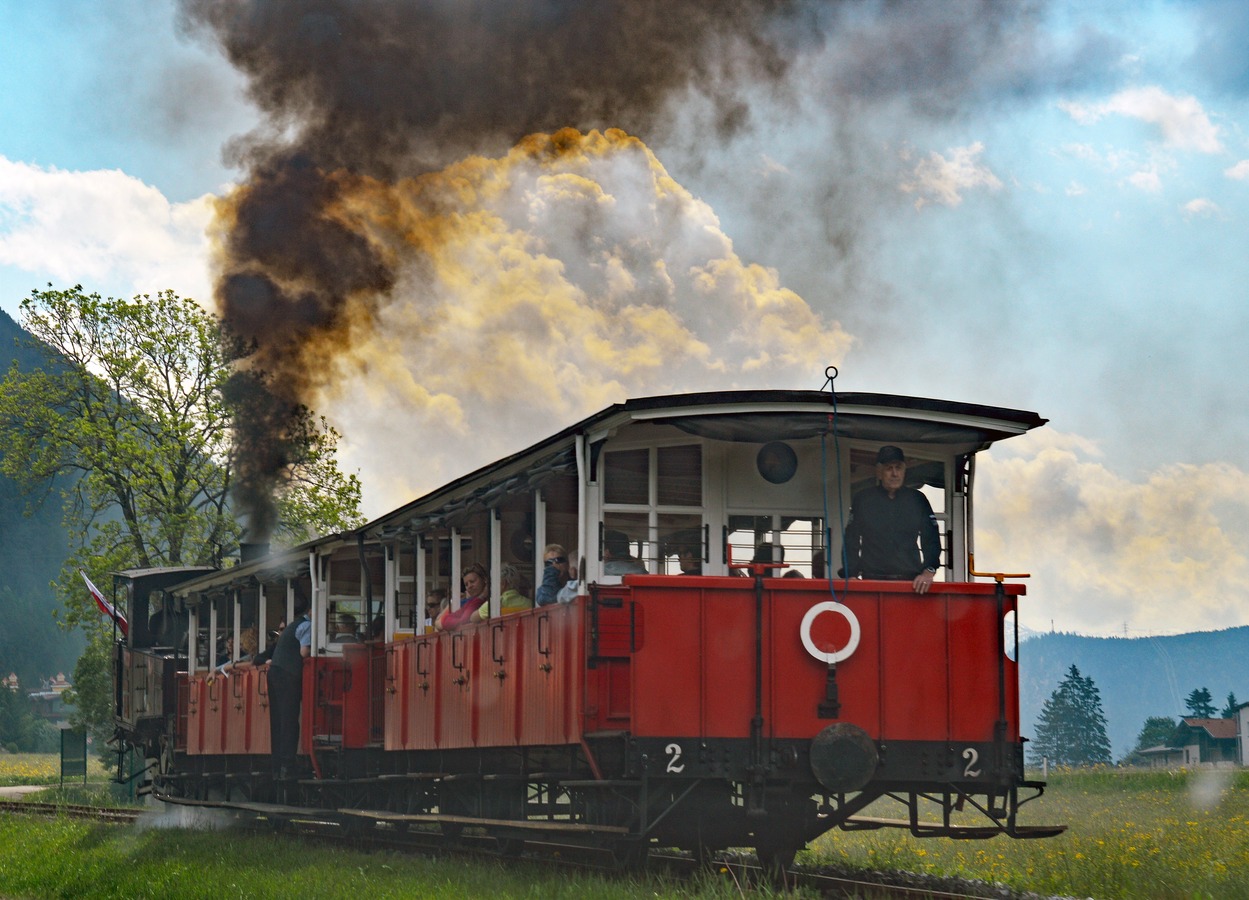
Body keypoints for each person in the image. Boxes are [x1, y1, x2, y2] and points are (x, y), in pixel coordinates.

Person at [841, 445, 941, 594]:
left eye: (898, 468)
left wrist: (929, 571)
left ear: (904, 470)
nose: (895, 473)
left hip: (910, 585)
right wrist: (851, 575)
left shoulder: (918, 500)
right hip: (871, 582)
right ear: (879, 472)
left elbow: (931, 538)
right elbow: (851, 540)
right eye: (889, 468)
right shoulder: (863, 500)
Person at [254, 597, 312, 779]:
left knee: (278, 720)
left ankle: (278, 765)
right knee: (289, 719)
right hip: (288, 675)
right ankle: (287, 764)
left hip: (276, 673)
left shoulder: (293, 625)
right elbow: (305, 652)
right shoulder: (307, 626)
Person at [436, 563, 489, 631]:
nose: (469, 586)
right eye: (466, 584)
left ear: (484, 580)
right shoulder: (469, 603)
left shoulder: (491, 600)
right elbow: (445, 621)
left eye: (472, 581)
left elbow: (464, 620)